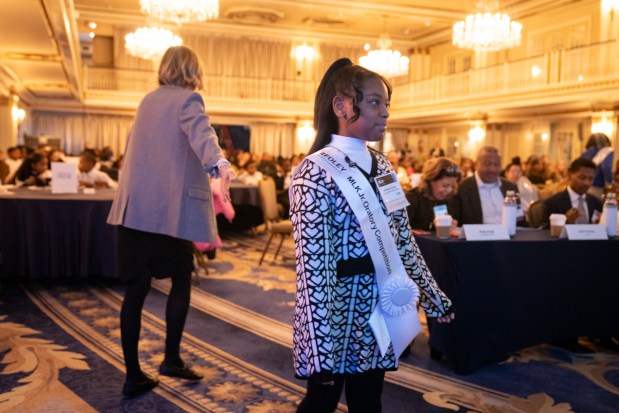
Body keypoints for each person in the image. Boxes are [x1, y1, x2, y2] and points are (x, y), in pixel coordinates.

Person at [289, 58, 454, 413]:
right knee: (321, 401)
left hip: (379, 306)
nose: (386, 113)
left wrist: (432, 296)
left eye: (387, 104)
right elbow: (313, 268)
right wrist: (319, 347)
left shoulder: (383, 166)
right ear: (342, 105)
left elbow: (402, 239)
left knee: (369, 400)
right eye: (376, 102)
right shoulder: (313, 173)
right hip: (332, 313)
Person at [107, 45, 235, 397]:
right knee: (181, 280)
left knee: (134, 294)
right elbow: (203, 136)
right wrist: (220, 164)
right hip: (168, 216)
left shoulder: (147, 100)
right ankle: (171, 360)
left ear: (164, 68)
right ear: (193, 70)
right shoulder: (188, 100)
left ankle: (133, 374)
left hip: (134, 215)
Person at [448, 146, 520, 225]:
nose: (492, 169)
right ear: (476, 165)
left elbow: (520, 219)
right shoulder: (462, 188)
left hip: (509, 235)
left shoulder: (510, 187)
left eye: (496, 164)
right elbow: (454, 222)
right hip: (477, 236)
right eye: (487, 164)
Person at [541, 157, 602, 227]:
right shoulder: (552, 204)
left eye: (590, 179)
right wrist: (565, 222)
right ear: (569, 175)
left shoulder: (597, 203)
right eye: (582, 177)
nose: (586, 183)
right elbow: (545, 231)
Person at [405, 157, 461, 231]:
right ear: (431, 180)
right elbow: (402, 230)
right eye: (445, 185)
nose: (449, 190)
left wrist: (450, 226)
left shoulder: (448, 200)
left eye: (452, 186)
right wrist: (432, 226)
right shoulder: (412, 198)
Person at [581, 132, 614, 199]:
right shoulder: (607, 151)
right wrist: (610, 181)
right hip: (597, 185)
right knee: (595, 206)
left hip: (582, 185)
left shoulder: (584, 153)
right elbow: (606, 167)